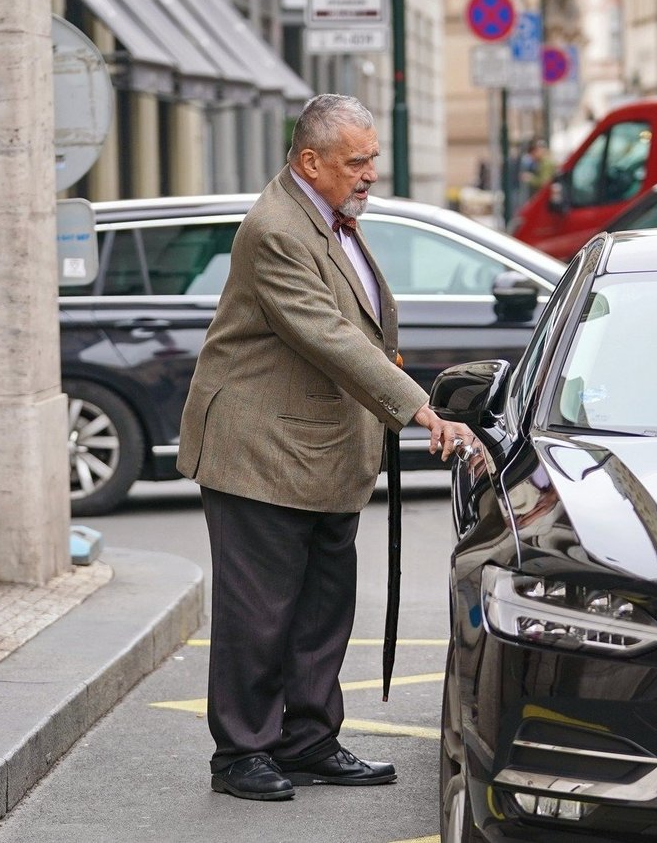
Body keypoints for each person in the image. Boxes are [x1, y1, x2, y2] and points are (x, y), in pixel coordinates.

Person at [176, 94, 472, 802]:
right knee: (260, 613)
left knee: (321, 608)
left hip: (321, 449)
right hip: (260, 450)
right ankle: (241, 753)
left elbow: (360, 325)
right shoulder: (276, 227)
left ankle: (306, 739)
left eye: (373, 158)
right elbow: (327, 334)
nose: (371, 173)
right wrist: (420, 409)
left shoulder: (329, 216)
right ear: (311, 161)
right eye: (357, 161)